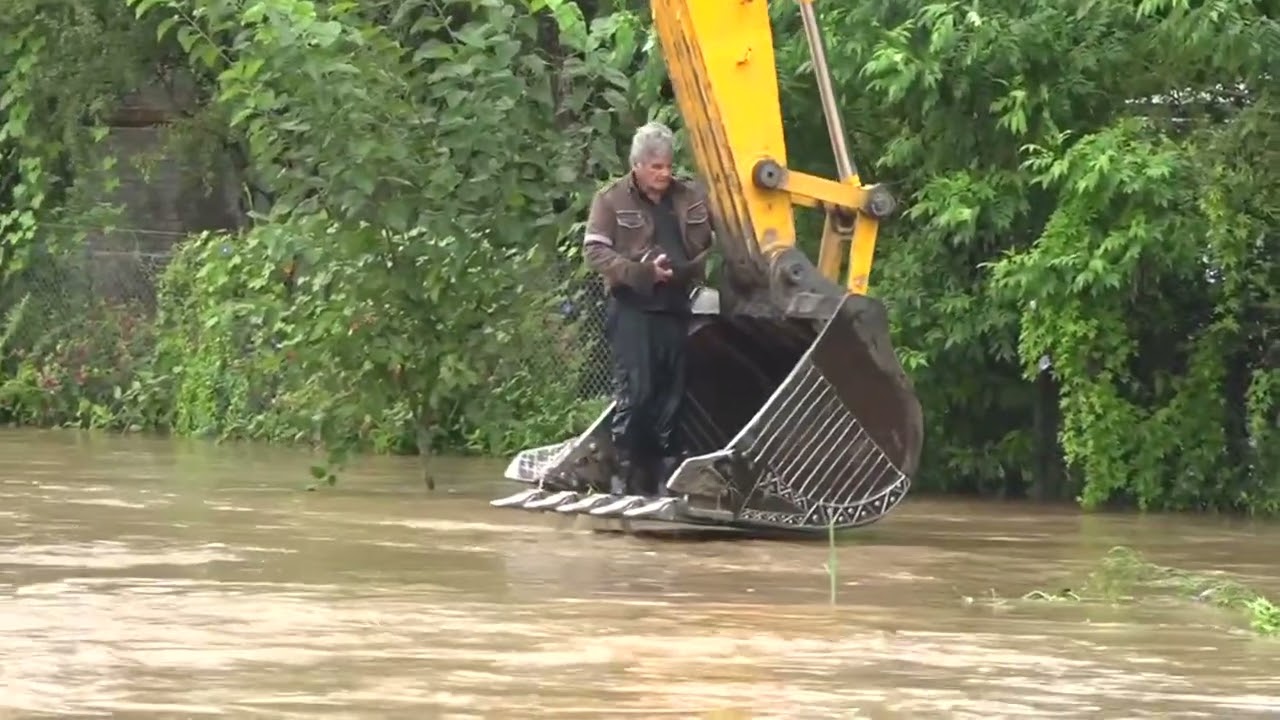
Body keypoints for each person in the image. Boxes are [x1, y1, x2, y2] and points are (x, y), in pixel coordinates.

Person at [581, 121, 714, 502]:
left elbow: (714, 235)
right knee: (636, 395)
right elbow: (594, 251)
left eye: (668, 165)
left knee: (672, 396)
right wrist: (640, 272)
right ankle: (624, 472)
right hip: (634, 308)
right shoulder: (611, 199)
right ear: (637, 165)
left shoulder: (689, 196)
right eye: (656, 166)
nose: (664, 173)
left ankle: (664, 477)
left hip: (675, 305)